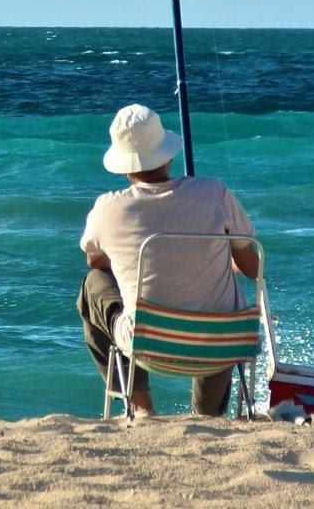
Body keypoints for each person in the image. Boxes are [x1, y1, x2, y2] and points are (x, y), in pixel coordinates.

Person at [76, 104, 260, 416]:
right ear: (168, 156)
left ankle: (140, 403)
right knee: (216, 304)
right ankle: (208, 414)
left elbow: (96, 263)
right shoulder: (214, 192)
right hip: (223, 344)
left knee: (92, 286)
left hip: (148, 346)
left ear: (123, 167)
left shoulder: (108, 208)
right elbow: (253, 269)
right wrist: (212, 256)